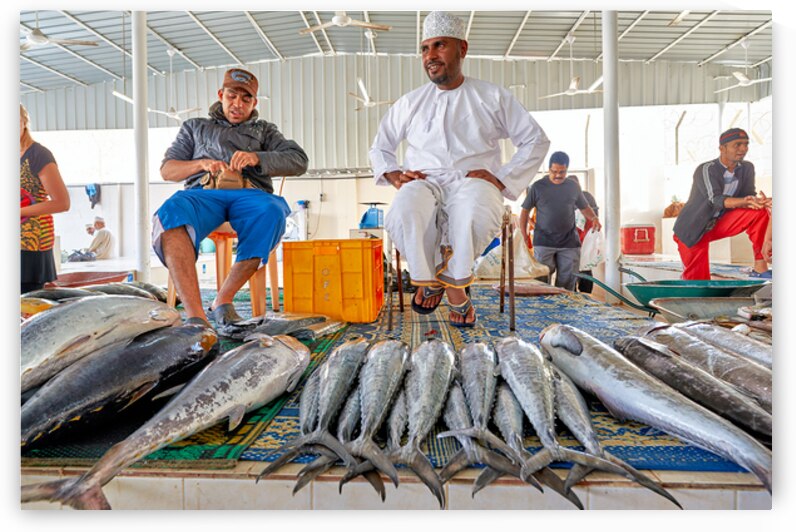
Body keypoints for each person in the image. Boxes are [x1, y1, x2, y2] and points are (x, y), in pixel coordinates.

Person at [370, 11, 550, 327]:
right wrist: (394, 173)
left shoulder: (492, 95)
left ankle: (454, 282)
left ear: (462, 49)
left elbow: (535, 140)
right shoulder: (411, 102)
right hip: (423, 179)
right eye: (425, 49)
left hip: (472, 179)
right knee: (404, 210)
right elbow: (380, 146)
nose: (430, 56)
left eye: (440, 46)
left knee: (475, 210)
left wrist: (501, 177)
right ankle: (430, 280)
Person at [153, 68, 308, 328]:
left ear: (254, 103)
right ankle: (196, 317)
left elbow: (299, 161)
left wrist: (258, 158)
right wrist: (201, 163)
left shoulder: (265, 131)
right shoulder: (195, 127)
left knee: (272, 211)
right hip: (203, 195)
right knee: (171, 211)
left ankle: (223, 301)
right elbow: (168, 170)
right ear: (221, 95)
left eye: (246, 99)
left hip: (250, 195)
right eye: (232, 96)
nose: (238, 104)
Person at [673, 128, 771, 280]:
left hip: (719, 223)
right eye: (737, 145)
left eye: (746, 144)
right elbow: (715, 200)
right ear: (722, 148)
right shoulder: (706, 169)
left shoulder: (747, 168)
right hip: (693, 230)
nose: (743, 149)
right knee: (699, 282)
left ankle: (760, 267)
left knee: (759, 213)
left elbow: (748, 195)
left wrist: (758, 202)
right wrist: (747, 201)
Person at [518, 151, 601, 292]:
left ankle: (564, 312)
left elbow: (584, 207)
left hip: (569, 243)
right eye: (554, 171)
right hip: (544, 242)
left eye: (562, 172)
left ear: (567, 170)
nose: (557, 175)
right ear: (549, 169)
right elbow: (525, 211)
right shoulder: (537, 187)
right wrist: (524, 235)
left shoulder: (573, 187)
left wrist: (594, 218)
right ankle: (542, 310)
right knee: (541, 280)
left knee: (567, 281)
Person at [20, 104, 70, 293]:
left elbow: (62, 202)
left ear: (23, 122)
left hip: (31, 245)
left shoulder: (38, 154)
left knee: (26, 307)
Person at [568, 174, 599, 293]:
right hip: (575, 237)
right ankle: (577, 292)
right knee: (580, 265)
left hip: (584, 236)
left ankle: (582, 294)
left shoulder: (586, 196)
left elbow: (594, 216)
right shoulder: (570, 197)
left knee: (583, 265)